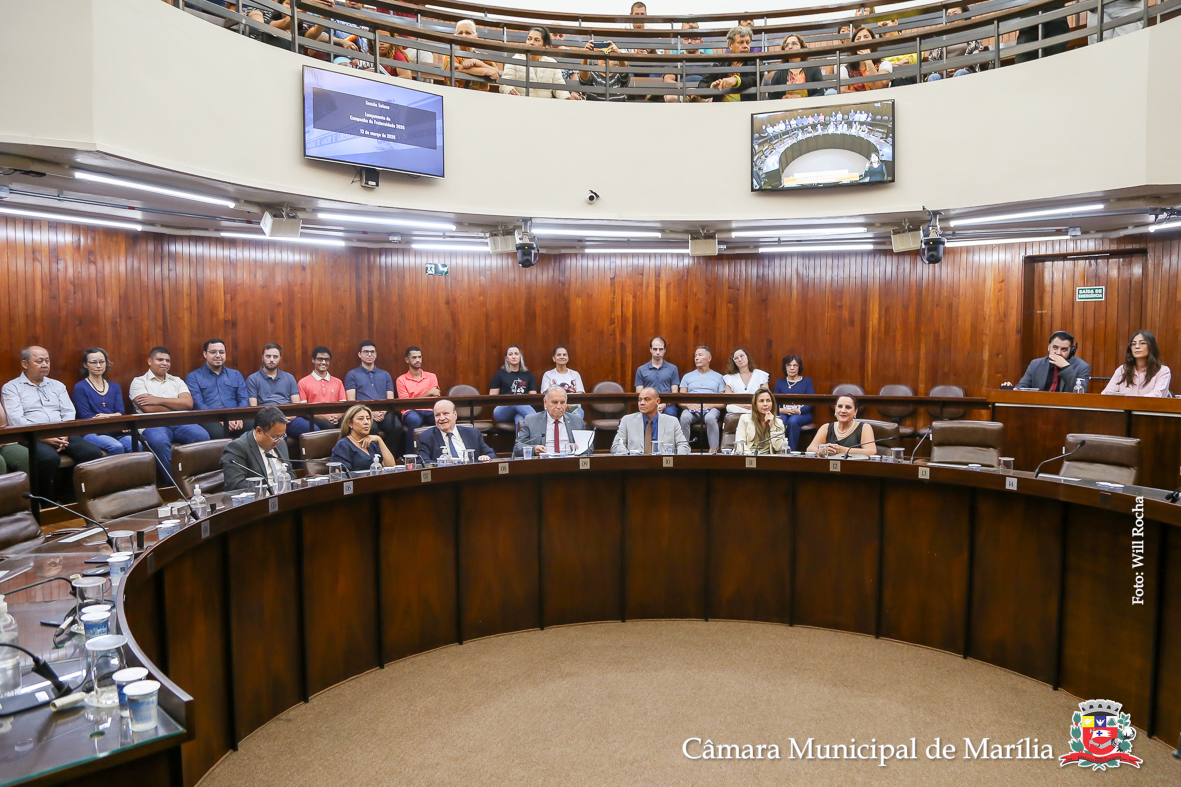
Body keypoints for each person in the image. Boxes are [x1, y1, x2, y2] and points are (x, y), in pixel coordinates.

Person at [1, 347, 104, 498]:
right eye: (39, 361)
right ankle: (46, 502)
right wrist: (43, 437)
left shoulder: (57, 385)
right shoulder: (12, 388)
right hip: (32, 435)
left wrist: (64, 433)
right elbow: (16, 419)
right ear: (25, 364)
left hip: (62, 432)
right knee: (48, 458)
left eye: (47, 361)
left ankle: (70, 498)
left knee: (92, 453)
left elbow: (69, 411)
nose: (45, 364)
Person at [129, 347, 211, 475]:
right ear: (150, 361)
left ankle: (198, 478)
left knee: (202, 435)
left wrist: (157, 400)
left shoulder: (177, 380)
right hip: (153, 425)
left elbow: (188, 404)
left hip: (180, 422)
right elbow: (149, 408)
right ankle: (174, 482)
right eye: (160, 359)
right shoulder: (138, 382)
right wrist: (176, 404)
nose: (164, 363)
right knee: (159, 441)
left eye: (167, 360)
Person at [247, 343, 318, 439]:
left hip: (289, 418)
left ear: (280, 358)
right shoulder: (252, 379)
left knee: (314, 431)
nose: (271, 360)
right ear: (262, 358)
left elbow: (297, 405)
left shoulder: (289, 377)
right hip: (268, 420)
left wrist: (291, 416)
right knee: (278, 439)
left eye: (275, 357)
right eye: (268, 356)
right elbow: (253, 407)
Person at [344, 340, 402, 455]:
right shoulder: (352, 374)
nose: (369, 354)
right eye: (366, 352)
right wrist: (370, 413)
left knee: (397, 427)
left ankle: (390, 458)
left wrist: (383, 411)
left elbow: (390, 399)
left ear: (376, 354)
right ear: (359, 354)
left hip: (384, 412)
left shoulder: (385, 374)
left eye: (372, 352)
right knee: (371, 429)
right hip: (363, 413)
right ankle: (373, 458)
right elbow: (351, 401)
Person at [187, 338, 251, 440]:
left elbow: (243, 399)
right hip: (210, 418)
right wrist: (220, 419)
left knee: (256, 426)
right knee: (218, 433)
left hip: (236, 417)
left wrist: (239, 417)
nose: (218, 355)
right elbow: (198, 404)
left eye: (221, 352)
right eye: (213, 352)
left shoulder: (235, 374)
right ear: (205, 354)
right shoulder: (193, 377)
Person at [72, 348, 133, 455]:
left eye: (102, 362)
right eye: (93, 362)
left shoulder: (115, 386)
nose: (98, 366)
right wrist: (113, 416)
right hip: (92, 431)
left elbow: (120, 412)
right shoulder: (80, 387)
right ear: (85, 365)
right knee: (116, 447)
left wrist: (105, 416)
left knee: (135, 444)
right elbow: (86, 416)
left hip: (115, 429)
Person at [220, 406, 294, 492]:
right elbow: (235, 485)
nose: (278, 441)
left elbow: (290, 472)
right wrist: (269, 489)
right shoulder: (238, 448)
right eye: (274, 437)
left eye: (282, 436)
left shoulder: (281, 443)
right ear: (259, 431)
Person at [500, 27, 578, 99]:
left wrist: (566, 97)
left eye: (537, 40)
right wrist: (510, 91)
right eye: (529, 39)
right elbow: (505, 84)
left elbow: (559, 87)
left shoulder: (551, 63)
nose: (531, 43)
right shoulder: (515, 60)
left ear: (545, 45)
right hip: (521, 104)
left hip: (545, 106)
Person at [611, 387, 690, 455]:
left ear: (657, 401)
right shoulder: (627, 420)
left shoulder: (672, 421)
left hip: (663, 465)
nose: (642, 403)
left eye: (646, 399)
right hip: (636, 465)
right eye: (640, 400)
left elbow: (684, 446)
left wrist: (674, 460)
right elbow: (615, 446)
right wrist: (629, 456)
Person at [1007, 331, 1092, 392]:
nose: (1058, 353)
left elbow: (1080, 392)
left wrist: (1066, 368)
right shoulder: (1035, 364)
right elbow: (1022, 386)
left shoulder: (1082, 367)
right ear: (1049, 347)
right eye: (1055, 348)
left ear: (1071, 351)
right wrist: (1012, 389)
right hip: (1039, 407)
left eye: (1064, 349)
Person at [416, 399, 497, 464]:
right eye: (437, 415)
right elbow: (423, 461)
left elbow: (491, 454)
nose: (441, 418)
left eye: (445, 413)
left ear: (455, 415)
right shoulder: (426, 437)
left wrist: (487, 457)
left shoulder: (473, 433)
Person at [678, 346, 726, 453]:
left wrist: (711, 405)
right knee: (684, 417)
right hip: (692, 408)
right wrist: (688, 405)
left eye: (700, 355)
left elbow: (723, 402)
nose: (696, 358)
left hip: (711, 408)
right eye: (695, 356)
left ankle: (714, 451)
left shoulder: (719, 377)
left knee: (710, 417)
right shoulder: (687, 376)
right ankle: (683, 450)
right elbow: (680, 399)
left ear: (709, 358)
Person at [513, 386, 587, 457]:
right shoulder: (531, 420)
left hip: (570, 461)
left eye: (562, 402)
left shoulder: (577, 420)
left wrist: (581, 448)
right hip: (543, 462)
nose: (559, 407)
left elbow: (589, 447)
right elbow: (518, 447)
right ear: (545, 402)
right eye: (554, 402)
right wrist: (534, 449)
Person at [1102, 330, 1172, 397]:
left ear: (1151, 346)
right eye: (1133, 344)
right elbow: (1106, 393)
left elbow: (1157, 395)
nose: (1137, 347)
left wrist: (1131, 401)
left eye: (1142, 343)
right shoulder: (1122, 370)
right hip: (1123, 405)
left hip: (1150, 406)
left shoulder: (1162, 371)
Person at [330, 404, 399, 471]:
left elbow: (391, 467)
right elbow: (340, 474)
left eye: (368, 418)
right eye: (360, 419)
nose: (366, 422)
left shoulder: (373, 443)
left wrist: (379, 440)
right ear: (350, 423)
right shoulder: (343, 445)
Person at [437, 20, 500, 90]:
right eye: (460, 33)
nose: (463, 36)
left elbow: (496, 71)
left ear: (476, 36)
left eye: (468, 33)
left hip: (480, 96)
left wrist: (477, 62)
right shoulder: (450, 55)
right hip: (455, 94)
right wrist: (484, 71)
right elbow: (454, 68)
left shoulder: (483, 56)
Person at [807, 394, 876, 457]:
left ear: (855, 411)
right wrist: (821, 451)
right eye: (840, 406)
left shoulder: (864, 427)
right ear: (835, 409)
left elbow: (871, 452)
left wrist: (844, 450)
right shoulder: (826, 427)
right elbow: (810, 449)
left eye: (848, 407)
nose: (843, 411)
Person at [702, 27, 757, 102]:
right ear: (730, 45)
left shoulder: (755, 62)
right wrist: (712, 86)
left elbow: (754, 80)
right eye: (740, 42)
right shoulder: (719, 64)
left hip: (747, 107)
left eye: (747, 42)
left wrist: (736, 80)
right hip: (721, 107)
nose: (745, 46)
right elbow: (701, 86)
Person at [297, 346, 347, 428]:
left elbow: (344, 405)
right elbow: (303, 410)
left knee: (348, 425)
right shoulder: (303, 382)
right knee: (329, 426)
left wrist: (337, 416)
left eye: (327, 360)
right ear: (313, 360)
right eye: (320, 359)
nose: (323, 362)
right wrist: (324, 417)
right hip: (314, 417)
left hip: (336, 417)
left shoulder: (338, 382)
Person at [774, 354, 815, 451]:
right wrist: (780, 410)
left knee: (793, 421)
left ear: (799, 367)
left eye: (795, 365)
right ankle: (778, 451)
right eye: (789, 365)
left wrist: (799, 411)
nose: (792, 368)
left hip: (802, 414)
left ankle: (791, 451)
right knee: (780, 421)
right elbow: (774, 401)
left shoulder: (807, 381)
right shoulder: (780, 382)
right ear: (785, 367)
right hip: (783, 412)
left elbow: (811, 401)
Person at [490, 345, 537, 427]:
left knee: (520, 419)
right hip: (502, 411)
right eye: (510, 354)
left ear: (520, 356)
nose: (513, 356)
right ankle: (537, 421)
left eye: (516, 354)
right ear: (506, 358)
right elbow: (492, 397)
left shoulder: (528, 375)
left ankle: (520, 436)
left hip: (522, 409)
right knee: (517, 401)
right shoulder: (499, 374)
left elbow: (533, 397)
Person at [765, 34, 824, 98]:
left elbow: (820, 93)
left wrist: (802, 99)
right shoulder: (779, 74)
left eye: (794, 43)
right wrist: (782, 100)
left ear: (802, 47)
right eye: (787, 45)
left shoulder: (814, 69)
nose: (790, 47)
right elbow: (772, 97)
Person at [397, 346, 441, 432]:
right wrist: (428, 393)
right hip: (411, 411)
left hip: (429, 410)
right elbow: (406, 404)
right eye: (414, 357)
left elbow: (435, 398)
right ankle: (412, 442)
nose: (418, 360)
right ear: (407, 360)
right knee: (414, 420)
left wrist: (414, 399)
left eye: (419, 357)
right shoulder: (401, 380)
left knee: (442, 418)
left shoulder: (432, 376)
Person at [635, 337, 680, 416]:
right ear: (650, 350)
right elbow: (639, 394)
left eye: (661, 349)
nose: (658, 352)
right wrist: (652, 405)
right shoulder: (641, 370)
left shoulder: (673, 368)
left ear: (665, 350)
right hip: (647, 404)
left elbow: (674, 394)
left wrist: (664, 404)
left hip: (667, 405)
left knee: (670, 413)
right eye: (655, 349)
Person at [735, 388, 786, 455]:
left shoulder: (778, 422)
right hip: (748, 456)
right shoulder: (745, 419)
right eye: (761, 401)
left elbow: (778, 448)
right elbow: (740, 444)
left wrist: (772, 427)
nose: (765, 404)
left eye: (768, 401)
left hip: (769, 458)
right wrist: (752, 457)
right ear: (755, 404)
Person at [840, 27, 889, 92]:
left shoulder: (884, 64)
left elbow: (876, 87)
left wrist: (868, 60)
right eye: (858, 38)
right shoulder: (845, 69)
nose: (862, 40)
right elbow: (843, 91)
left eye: (866, 37)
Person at [723, 348, 770, 415]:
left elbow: (765, 395)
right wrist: (742, 405)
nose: (740, 359)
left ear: (747, 357)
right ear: (733, 362)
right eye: (736, 358)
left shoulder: (761, 375)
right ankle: (750, 414)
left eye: (742, 356)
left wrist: (754, 405)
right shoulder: (730, 377)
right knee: (730, 407)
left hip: (756, 406)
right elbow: (729, 399)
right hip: (738, 407)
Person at [540, 345, 585, 414]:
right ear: (554, 358)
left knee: (578, 417)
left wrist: (568, 404)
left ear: (568, 358)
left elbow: (580, 393)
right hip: (553, 409)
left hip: (574, 409)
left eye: (564, 355)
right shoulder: (547, 375)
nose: (562, 357)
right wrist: (562, 405)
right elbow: (546, 394)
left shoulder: (575, 374)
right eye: (559, 355)